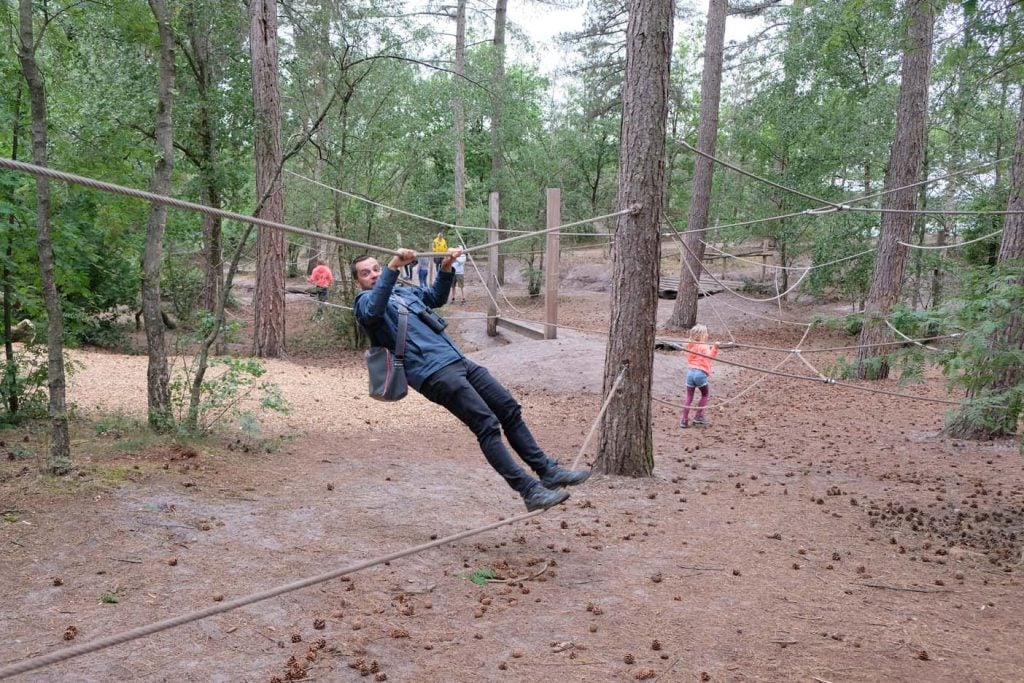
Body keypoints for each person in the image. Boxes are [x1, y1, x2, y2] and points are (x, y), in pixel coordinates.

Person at [352, 248, 589, 511]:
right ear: (358, 281)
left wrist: (445, 268)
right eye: (366, 273)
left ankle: (547, 471)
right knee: (486, 425)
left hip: (459, 361)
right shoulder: (363, 302)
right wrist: (392, 268)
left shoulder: (403, 293)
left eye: (376, 269)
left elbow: (435, 297)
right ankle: (529, 490)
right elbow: (375, 310)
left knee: (508, 409)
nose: (373, 275)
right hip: (433, 373)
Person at [680, 324, 719, 428]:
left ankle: (684, 420)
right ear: (702, 335)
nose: (707, 335)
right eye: (706, 333)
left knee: (689, 397)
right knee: (705, 395)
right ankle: (698, 416)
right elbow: (710, 357)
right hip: (700, 374)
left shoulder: (690, 345)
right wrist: (715, 347)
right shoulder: (704, 346)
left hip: (690, 373)